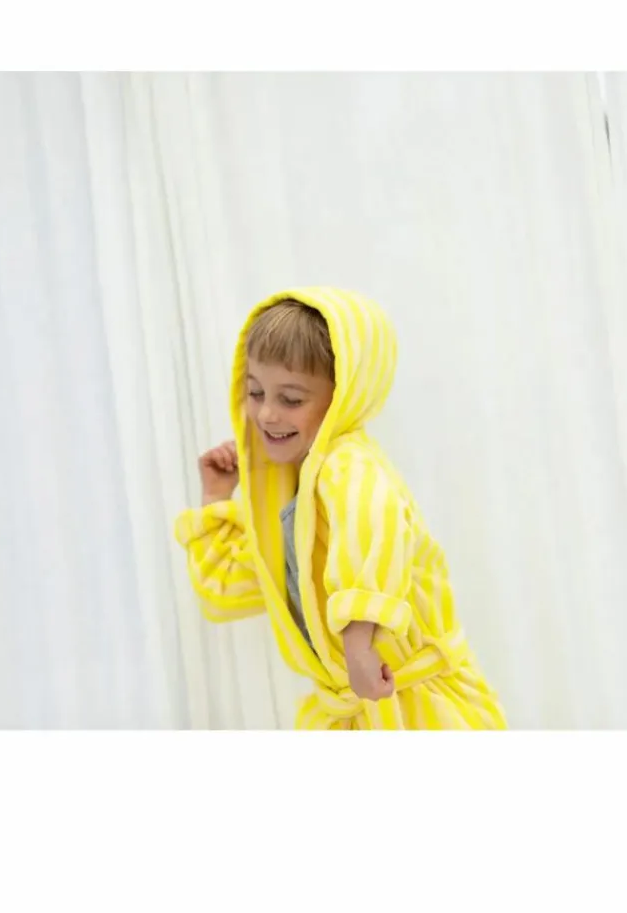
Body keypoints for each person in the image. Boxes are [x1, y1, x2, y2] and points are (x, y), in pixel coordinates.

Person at [174, 287, 506, 729]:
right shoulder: (291, 501)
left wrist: (357, 639)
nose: (267, 414)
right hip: (355, 710)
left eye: (291, 399)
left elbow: (373, 525)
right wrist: (216, 498)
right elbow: (227, 592)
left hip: (420, 709)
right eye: (255, 392)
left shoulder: (350, 466)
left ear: (345, 394)